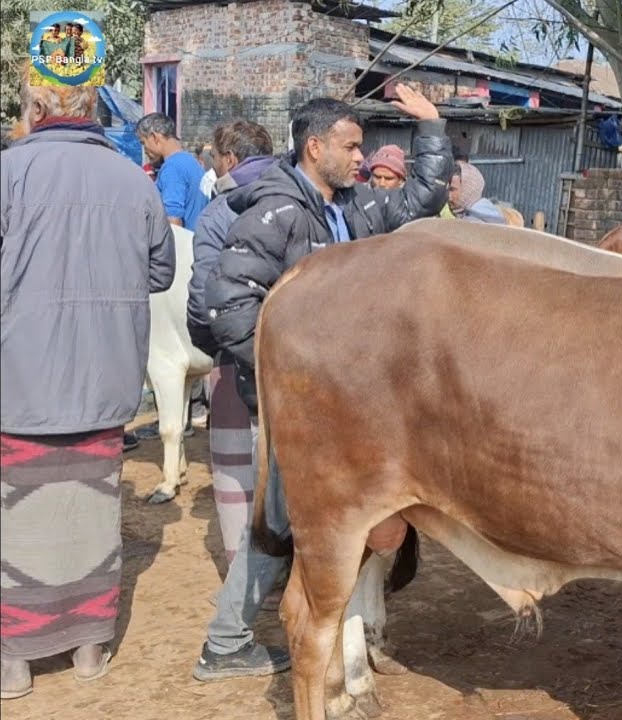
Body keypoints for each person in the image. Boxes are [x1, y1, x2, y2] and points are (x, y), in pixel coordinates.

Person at [193, 86, 452, 681]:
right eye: (351, 146)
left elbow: (420, 200)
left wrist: (433, 127)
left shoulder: (355, 207)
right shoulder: (275, 212)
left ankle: (257, 634)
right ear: (315, 147)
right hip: (305, 406)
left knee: (300, 522)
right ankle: (225, 643)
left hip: (345, 406)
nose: (361, 157)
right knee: (282, 522)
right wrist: (296, 382)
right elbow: (228, 306)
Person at [0, 80, 175, 700]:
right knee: (94, 513)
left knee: (16, 521)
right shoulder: (135, 180)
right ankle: (89, 648)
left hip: (16, 381)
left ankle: (14, 661)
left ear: (36, 107)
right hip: (106, 377)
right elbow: (160, 270)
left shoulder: (8, 172)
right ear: (94, 107)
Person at [185, 119, 276, 568]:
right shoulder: (301, 201)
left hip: (236, 361)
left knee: (237, 475)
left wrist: (214, 348)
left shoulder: (219, 214)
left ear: (230, 161)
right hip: (298, 367)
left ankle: (245, 573)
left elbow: (203, 302)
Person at [136, 112, 209, 229]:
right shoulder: (189, 161)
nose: (145, 150)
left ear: (154, 137)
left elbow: (173, 222)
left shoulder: (172, 168)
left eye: (144, 143)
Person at [447, 160, 507, 224]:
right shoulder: (491, 215)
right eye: (446, 190)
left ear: (467, 189)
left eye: (452, 189)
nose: (448, 196)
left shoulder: (472, 223)